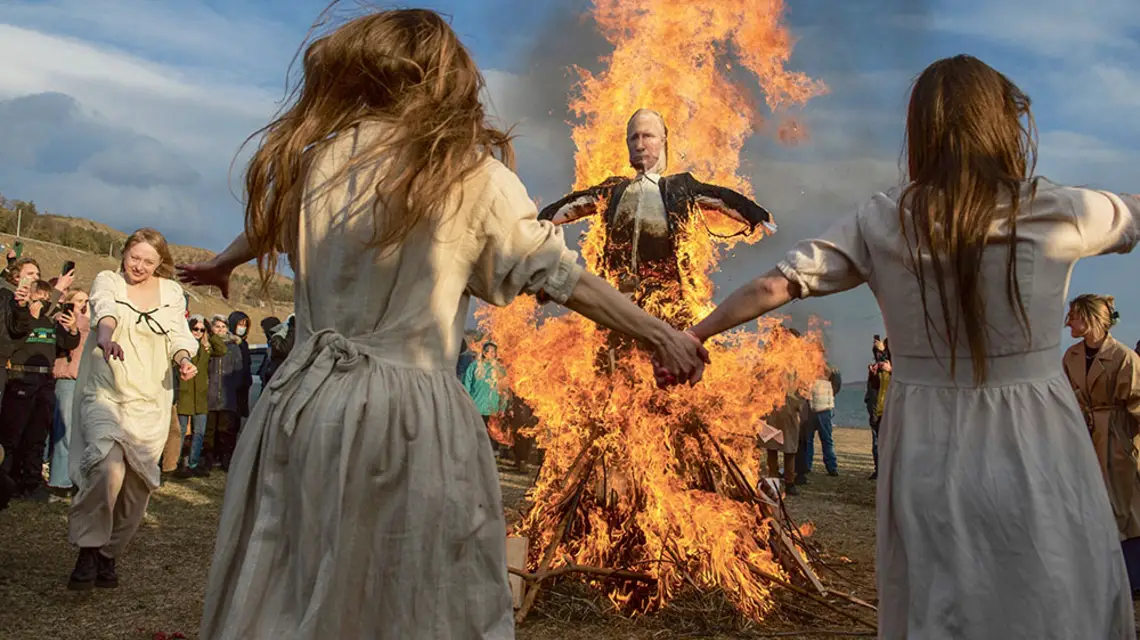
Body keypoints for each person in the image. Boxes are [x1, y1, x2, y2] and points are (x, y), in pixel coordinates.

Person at [177, 9, 707, 638]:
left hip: (300, 403)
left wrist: (222, 263)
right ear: (441, 78)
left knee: (291, 584)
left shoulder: (314, 161)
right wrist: (661, 333)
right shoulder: (470, 174)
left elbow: (268, 225)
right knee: (414, 600)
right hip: (405, 414)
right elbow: (564, 278)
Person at [678, 55, 1140, 637]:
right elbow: (1134, 213)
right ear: (1002, 124)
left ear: (922, 131)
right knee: (1050, 579)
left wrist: (694, 335)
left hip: (928, 433)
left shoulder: (884, 219)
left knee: (940, 591)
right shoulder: (1056, 207)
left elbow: (777, 284)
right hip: (1036, 428)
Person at [67, 228, 198, 591]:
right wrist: (106, 336)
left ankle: (109, 554)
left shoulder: (171, 292)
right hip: (106, 391)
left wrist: (184, 359)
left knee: (137, 486)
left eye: (148, 261)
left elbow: (178, 333)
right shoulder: (108, 280)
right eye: (134, 257)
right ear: (124, 253)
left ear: (160, 264)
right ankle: (89, 549)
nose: (138, 266)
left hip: (150, 400)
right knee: (106, 468)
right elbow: (105, 311)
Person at [1062, 294, 1140, 596]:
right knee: (1090, 506)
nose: (1068, 321)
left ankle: (1132, 578)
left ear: (1091, 318)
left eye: (1074, 315)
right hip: (1084, 438)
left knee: (1128, 510)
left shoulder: (1123, 357)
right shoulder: (1070, 356)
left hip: (1121, 441)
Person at [0, 280, 80, 504]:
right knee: (13, 435)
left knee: (37, 435)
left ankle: (32, 483)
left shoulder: (51, 322)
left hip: (46, 380)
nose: (43, 303)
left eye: (47, 300)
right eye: (39, 299)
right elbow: (15, 335)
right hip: (21, 377)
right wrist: (26, 314)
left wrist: (72, 328)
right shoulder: (21, 320)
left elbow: (68, 343)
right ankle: (9, 481)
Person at [48, 288, 91, 494]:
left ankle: (73, 477)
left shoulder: (90, 323)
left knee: (77, 433)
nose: (83, 304)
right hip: (67, 379)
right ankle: (59, 479)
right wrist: (77, 324)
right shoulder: (62, 319)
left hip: (83, 380)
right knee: (64, 431)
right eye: (79, 300)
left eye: (86, 300)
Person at [174, 315, 221, 478]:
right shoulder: (184, 347)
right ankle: (176, 462)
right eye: (196, 329)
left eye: (202, 330)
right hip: (185, 394)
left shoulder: (206, 347)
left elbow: (222, 349)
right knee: (180, 432)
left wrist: (211, 332)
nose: (199, 332)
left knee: (199, 431)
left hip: (200, 396)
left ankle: (193, 463)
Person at [205, 314, 242, 471]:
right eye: (217, 326)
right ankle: (207, 460)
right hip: (210, 395)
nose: (220, 330)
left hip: (227, 396)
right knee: (209, 431)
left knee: (225, 431)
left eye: (223, 327)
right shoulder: (207, 345)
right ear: (212, 328)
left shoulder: (233, 347)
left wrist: (232, 388)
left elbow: (238, 370)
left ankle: (226, 460)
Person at [463, 341, 507, 455]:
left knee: (490, 434)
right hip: (476, 406)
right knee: (475, 433)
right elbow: (466, 385)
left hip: (492, 407)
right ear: (484, 353)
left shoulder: (499, 369)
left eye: (494, 352)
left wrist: (503, 407)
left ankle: (489, 456)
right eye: (491, 352)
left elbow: (504, 390)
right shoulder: (474, 366)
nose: (493, 354)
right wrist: (465, 402)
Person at [798, 364, 841, 481]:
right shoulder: (831, 370)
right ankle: (831, 467)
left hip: (817, 409)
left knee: (812, 440)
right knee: (824, 440)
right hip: (823, 409)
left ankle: (809, 466)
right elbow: (837, 386)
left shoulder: (817, 368)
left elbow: (836, 386)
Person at [863, 355, 891, 480]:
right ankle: (879, 471)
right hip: (878, 412)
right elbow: (874, 388)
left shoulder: (897, 371)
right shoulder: (880, 371)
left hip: (891, 413)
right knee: (877, 444)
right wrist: (873, 374)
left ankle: (889, 473)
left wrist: (891, 370)